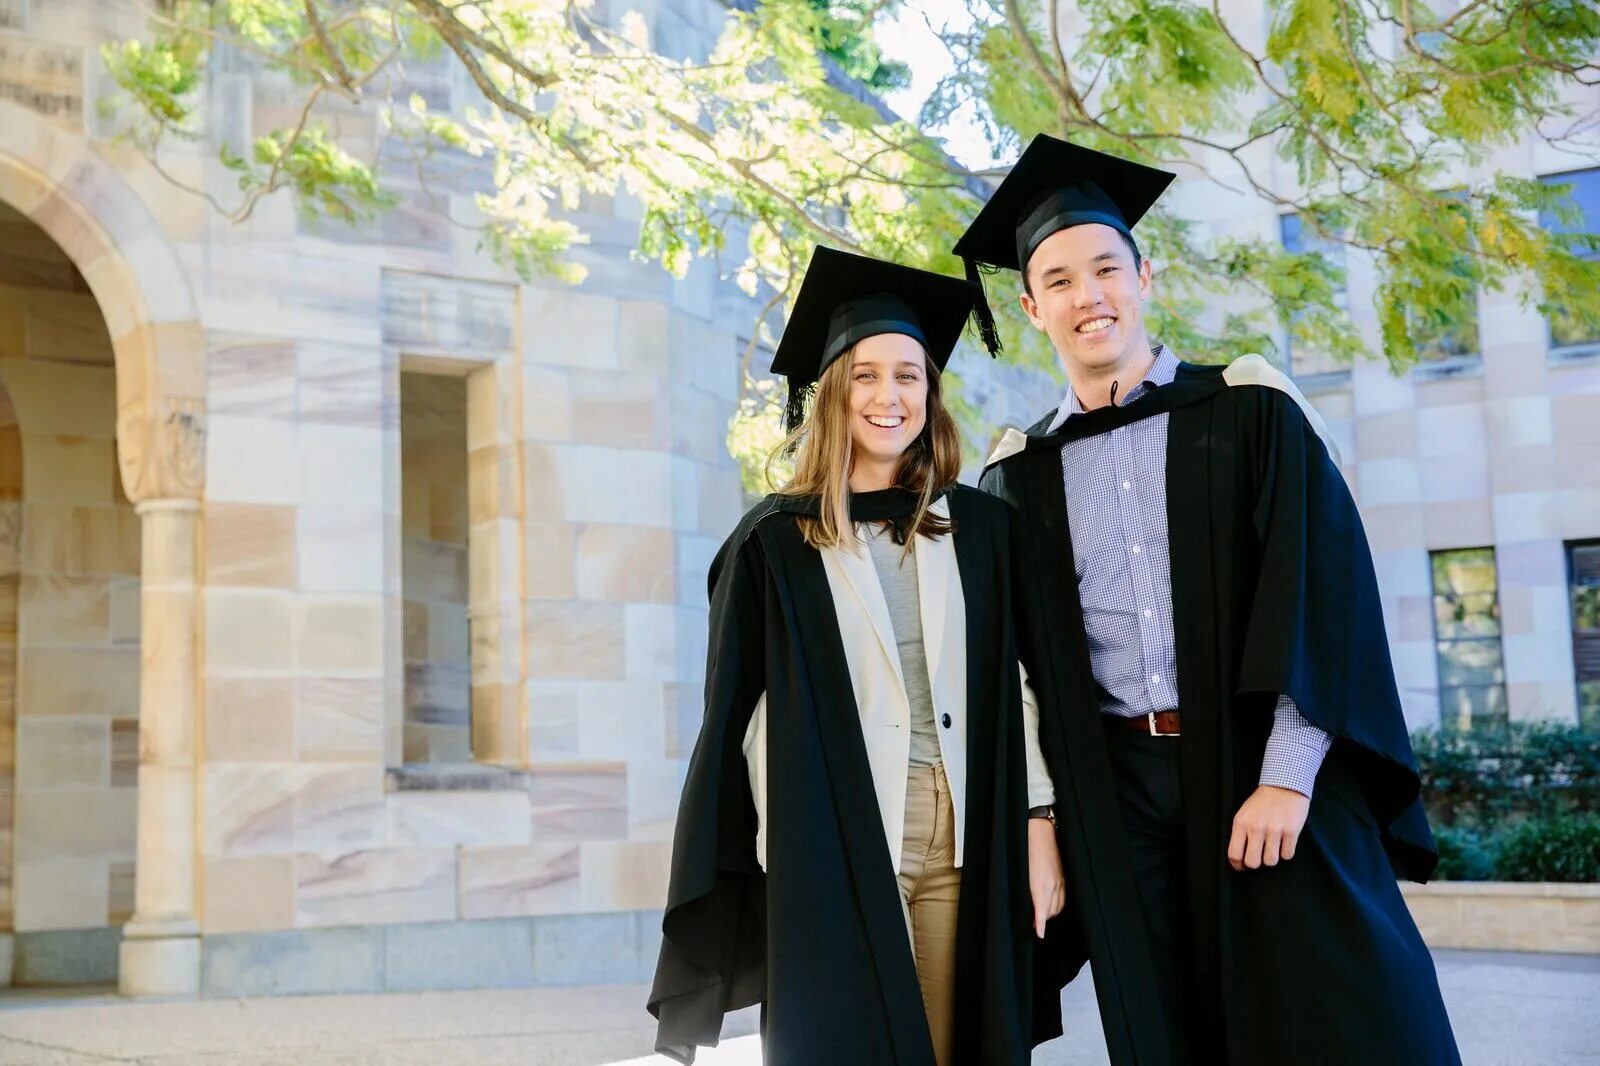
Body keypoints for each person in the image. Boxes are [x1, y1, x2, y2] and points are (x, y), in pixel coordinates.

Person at [957, 134, 1462, 1065]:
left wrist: (1286, 773)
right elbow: (1012, 667)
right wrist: (1040, 822)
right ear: (1032, 307)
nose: (1087, 296)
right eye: (1059, 281)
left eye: (1105, 268)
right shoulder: (1016, 477)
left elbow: (1322, 594)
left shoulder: (1248, 411)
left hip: (1257, 765)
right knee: (1167, 1030)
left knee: (1348, 1017)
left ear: (1145, 276)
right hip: (1115, 796)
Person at [648, 246, 1064, 1065]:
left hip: (965, 831)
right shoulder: (774, 542)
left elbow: (1016, 684)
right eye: (866, 375)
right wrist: (776, 853)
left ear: (929, 396)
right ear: (834, 393)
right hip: (833, 837)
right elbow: (736, 719)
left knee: (961, 1044)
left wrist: (1038, 818)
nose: (889, 396)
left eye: (909, 375)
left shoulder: (982, 531)